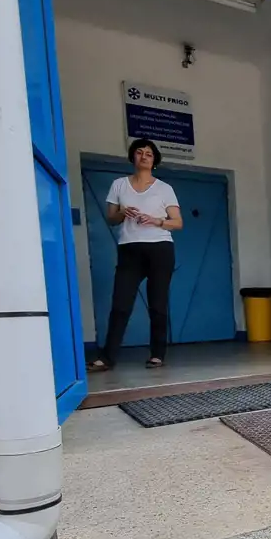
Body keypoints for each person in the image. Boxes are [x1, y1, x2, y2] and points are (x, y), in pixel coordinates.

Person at [88, 138, 183, 372]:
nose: (144, 156)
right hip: (129, 249)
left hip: (160, 248)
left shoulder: (164, 188)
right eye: (139, 152)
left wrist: (156, 220)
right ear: (133, 157)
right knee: (120, 305)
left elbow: (178, 222)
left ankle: (157, 355)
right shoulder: (119, 185)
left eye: (149, 154)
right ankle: (107, 358)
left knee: (157, 305)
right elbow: (112, 219)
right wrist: (122, 212)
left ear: (154, 160)